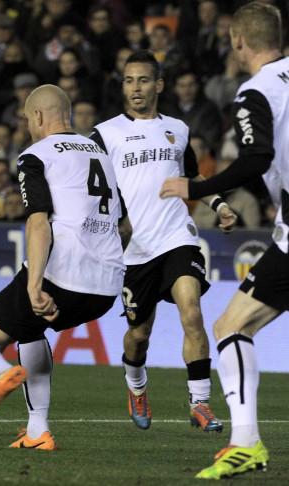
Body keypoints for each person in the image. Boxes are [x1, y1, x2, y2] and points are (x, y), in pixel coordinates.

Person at [0, 84, 130, 450]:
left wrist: (34, 285)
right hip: (106, 287)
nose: (27, 126)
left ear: (37, 116)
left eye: (26, 118)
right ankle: (38, 432)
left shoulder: (36, 154)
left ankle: (2, 374)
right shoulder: (101, 154)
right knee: (30, 332)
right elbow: (125, 226)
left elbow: (38, 223)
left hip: (61, 276)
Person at [160, 3, 287, 478]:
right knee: (236, 325)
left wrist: (193, 187)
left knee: (231, 328)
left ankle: (246, 443)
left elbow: (256, 158)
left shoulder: (256, 90)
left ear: (237, 42)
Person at [89, 50, 237, 433]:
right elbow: (90, 189)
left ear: (158, 85)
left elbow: (192, 179)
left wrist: (218, 203)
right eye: (128, 80)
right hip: (134, 251)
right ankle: (136, 387)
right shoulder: (105, 134)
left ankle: (200, 403)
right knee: (139, 336)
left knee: (192, 312)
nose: (135, 88)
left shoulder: (178, 129)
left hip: (176, 236)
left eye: (142, 80)